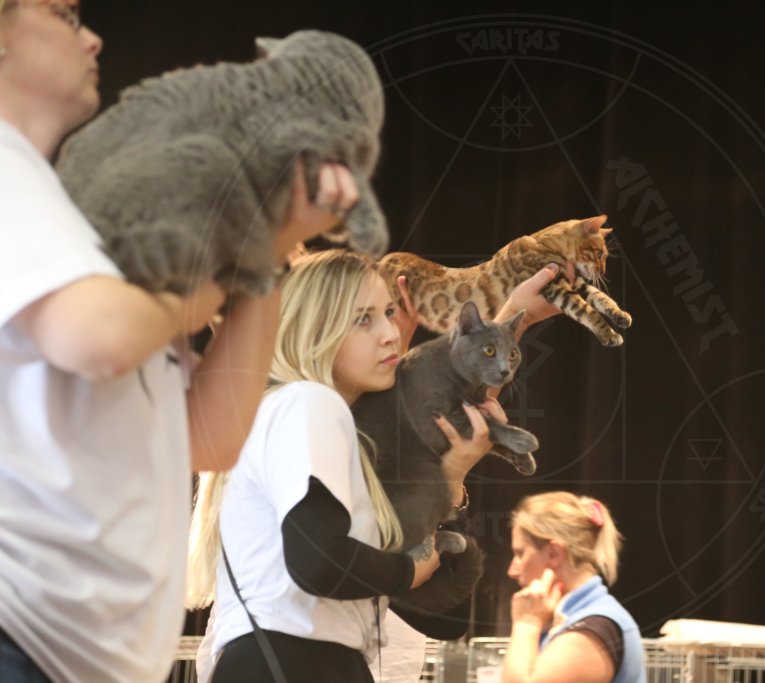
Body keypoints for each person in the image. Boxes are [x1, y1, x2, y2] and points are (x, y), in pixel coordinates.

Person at [0, 2, 349, 681]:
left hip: (85, 656)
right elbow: (102, 336)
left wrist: (265, 246)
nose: (93, 37)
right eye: (65, 15)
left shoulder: (67, 221)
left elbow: (208, 435)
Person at [189, 250, 566, 682]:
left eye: (388, 313)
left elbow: (442, 609)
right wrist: (409, 571)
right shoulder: (309, 403)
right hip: (295, 664)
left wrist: (451, 475)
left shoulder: (313, 422)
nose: (391, 333)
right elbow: (318, 562)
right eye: (363, 320)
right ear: (315, 329)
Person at [503, 491, 645, 683]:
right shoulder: (570, 619)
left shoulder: (594, 629)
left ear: (553, 554)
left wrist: (527, 623)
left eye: (520, 554)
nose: (512, 570)